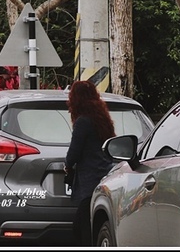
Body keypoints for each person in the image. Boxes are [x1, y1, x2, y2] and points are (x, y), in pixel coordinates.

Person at [65, 80, 116, 246]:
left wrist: (67, 165)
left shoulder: (82, 122)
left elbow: (74, 152)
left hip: (88, 181)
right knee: (89, 224)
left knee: (82, 227)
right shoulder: (102, 119)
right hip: (103, 175)